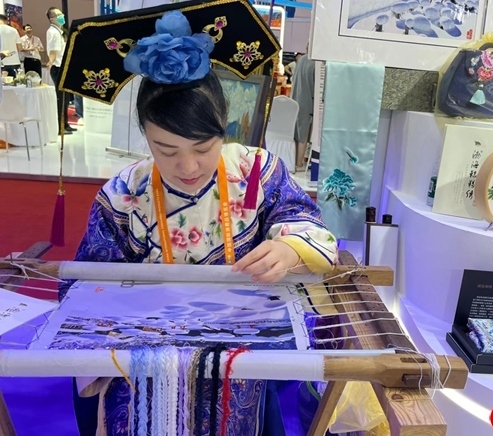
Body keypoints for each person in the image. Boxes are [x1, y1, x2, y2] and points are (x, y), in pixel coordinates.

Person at [56, 4, 337, 435]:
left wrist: (288, 248)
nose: (187, 166)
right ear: (145, 135)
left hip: (237, 353)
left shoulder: (257, 172)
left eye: (203, 147)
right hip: (146, 357)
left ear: (224, 127)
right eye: (165, 151)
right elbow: (84, 286)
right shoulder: (124, 193)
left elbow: (300, 217)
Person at [46, 7, 76, 134]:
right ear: (52, 19)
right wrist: (50, 62)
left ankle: (65, 124)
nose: (62, 16)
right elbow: (53, 51)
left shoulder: (59, 31)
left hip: (62, 66)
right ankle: (60, 127)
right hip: (57, 67)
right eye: (58, 15)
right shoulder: (53, 32)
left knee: (66, 98)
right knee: (61, 98)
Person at [290, 44, 316, 172]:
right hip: (308, 101)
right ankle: (299, 163)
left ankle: (294, 161)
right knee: (303, 134)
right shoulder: (316, 63)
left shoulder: (302, 60)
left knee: (297, 132)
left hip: (296, 99)